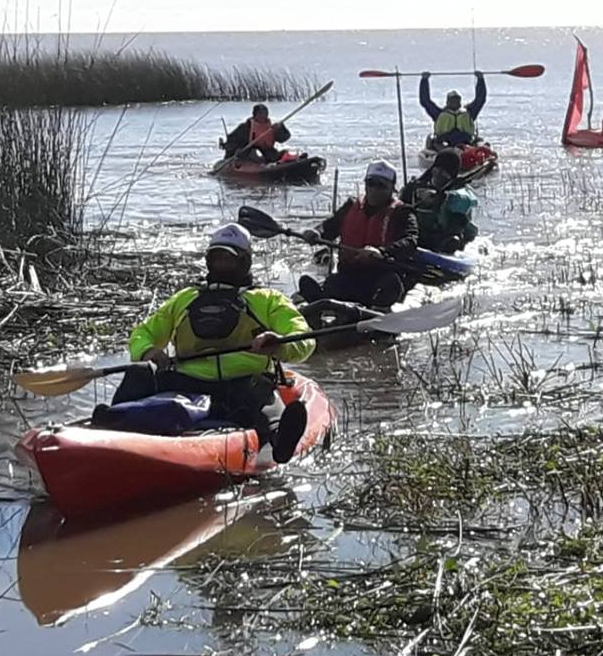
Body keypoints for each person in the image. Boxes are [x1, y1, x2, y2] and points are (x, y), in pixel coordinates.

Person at [96, 223, 314, 463]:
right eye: (217, 258)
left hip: (241, 385)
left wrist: (280, 344)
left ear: (244, 262)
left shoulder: (267, 299)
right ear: (209, 261)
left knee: (261, 394)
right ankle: (110, 425)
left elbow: (304, 337)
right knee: (139, 372)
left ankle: (279, 438)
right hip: (188, 382)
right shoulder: (186, 298)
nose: (222, 264)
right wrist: (148, 351)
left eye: (229, 259)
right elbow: (143, 333)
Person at [297, 160, 418, 310]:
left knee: (391, 284)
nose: (374, 190)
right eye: (371, 183)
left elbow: (410, 241)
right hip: (349, 275)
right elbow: (328, 228)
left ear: (392, 189)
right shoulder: (351, 205)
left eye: (381, 185)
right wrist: (317, 233)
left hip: (380, 277)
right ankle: (325, 308)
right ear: (365, 185)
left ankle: (375, 312)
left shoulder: (403, 212)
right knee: (323, 283)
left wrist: (382, 252)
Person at [399, 149, 478, 254]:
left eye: (445, 173)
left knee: (453, 241)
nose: (439, 175)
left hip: (442, 236)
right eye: (437, 170)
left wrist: (443, 197)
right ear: (433, 169)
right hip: (416, 233)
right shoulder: (415, 187)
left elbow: (460, 218)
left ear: (452, 175)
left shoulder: (459, 193)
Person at [419, 71, 487, 148]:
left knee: (480, 143)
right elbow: (425, 101)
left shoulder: (469, 112)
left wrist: (480, 79)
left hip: (466, 142)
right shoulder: (438, 113)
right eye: (452, 100)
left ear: (460, 101)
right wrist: (424, 80)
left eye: (456, 100)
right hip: (443, 143)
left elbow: (480, 99)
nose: (454, 102)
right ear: (447, 101)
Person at [221, 104, 291, 163]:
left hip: (267, 153)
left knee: (277, 155)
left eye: (265, 113)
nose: (263, 116)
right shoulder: (246, 127)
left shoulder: (271, 128)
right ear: (255, 115)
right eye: (260, 113)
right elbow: (233, 140)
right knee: (252, 152)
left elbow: (284, 137)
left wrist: (281, 128)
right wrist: (228, 147)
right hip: (248, 152)